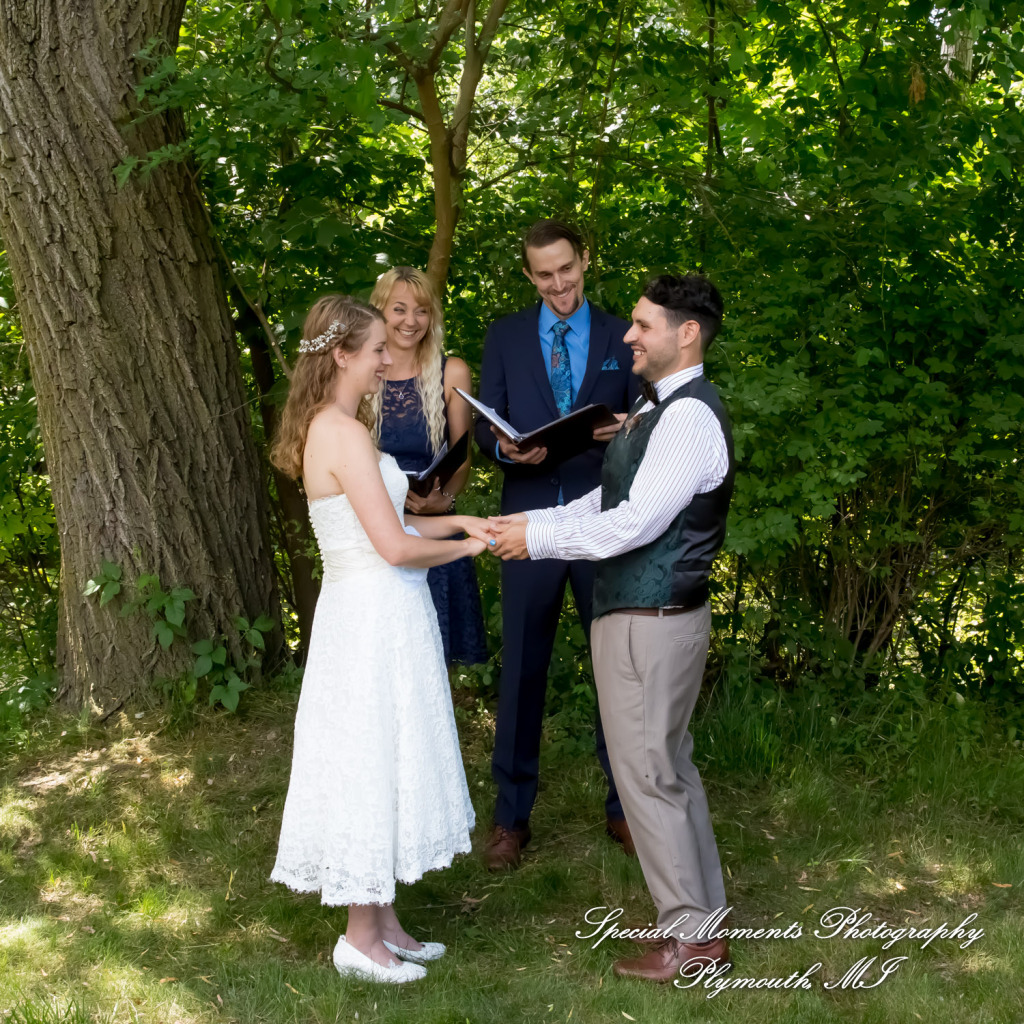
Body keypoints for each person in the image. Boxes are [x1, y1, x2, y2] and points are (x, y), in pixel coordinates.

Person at [490, 274, 736, 982]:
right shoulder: (660, 410)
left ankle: (692, 943)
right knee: (667, 771)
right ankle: (702, 924)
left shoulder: (688, 419)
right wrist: (528, 522)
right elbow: (607, 497)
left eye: (643, 324)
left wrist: (536, 542)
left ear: (687, 333)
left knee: (650, 778)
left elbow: (633, 525)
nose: (628, 335)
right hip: (639, 615)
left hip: (651, 621)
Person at [269, 295, 492, 985]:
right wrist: (467, 550)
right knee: (368, 759)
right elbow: (393, 548)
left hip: (388, 611)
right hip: (369, 618)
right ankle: (359, 939)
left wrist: (464, 523)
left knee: (389, 754)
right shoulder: (339, 433)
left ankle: (386, 922)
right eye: (374, 352)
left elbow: (397, 523)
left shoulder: (343, 427)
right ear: (342, 356)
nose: (385, 363)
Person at [474, 219, 640, 870]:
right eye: (543, 274)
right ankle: (510, 818)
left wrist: (628, 427)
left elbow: (653, 417)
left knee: (616, 667)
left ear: (585, 259)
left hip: (603, 519)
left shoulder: (625, 333)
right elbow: (486, 426)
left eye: (566, 269)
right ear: (529, 275)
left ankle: (626, 807)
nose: (558, 283)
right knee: (521, 668)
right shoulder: (505, 335)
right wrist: (503, 448)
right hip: (527, 518)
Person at [370, 266, 488, 667]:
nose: (411, 321)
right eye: (399, 309)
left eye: (421, 311)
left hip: (435, 519)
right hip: (377, 523)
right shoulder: (363, 370)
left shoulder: (451, 370)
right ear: (379, 311)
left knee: (435, 651)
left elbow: (461, 454)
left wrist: (445, 498)